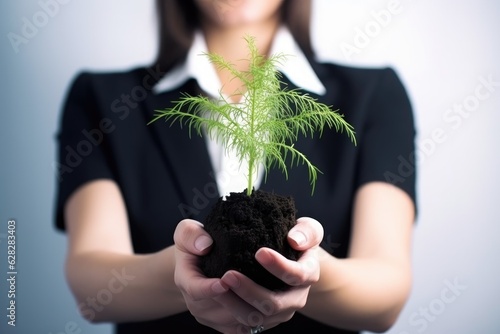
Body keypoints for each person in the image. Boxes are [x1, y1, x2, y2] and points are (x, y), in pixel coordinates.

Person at [54, 0, 417, 333]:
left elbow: (386, 291)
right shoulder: (103, 101)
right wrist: (184, 272)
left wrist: (308, 273)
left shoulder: (373, 96)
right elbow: (92, 286)